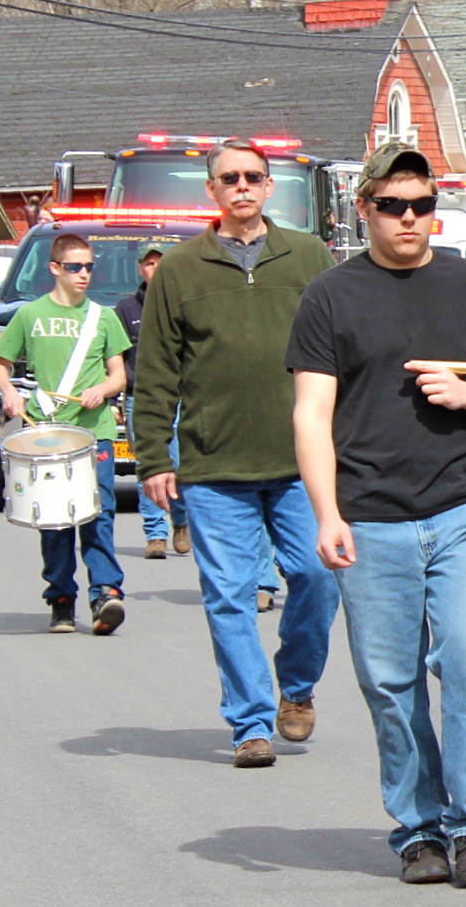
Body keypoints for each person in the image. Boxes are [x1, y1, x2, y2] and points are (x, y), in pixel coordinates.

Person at [289, 144, 466, 888]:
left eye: (422, 206)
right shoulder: (329, 297)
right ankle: (418, 828)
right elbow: (310, 413)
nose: (409, 219)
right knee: (390, 682)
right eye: (394, 206)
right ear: (364, 208)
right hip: (370, 516)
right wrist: (326, 513)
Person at [134, 137, 342, 768]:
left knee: (315, 577)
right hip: (212, 464)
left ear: (269, 186)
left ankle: (297, 685)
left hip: (301, 461)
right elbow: (156, 371)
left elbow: (345, 354)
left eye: (253, 176)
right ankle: (250, 722)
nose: (242, 187)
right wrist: (153, 458)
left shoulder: (309, 257)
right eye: (230, 178)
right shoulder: (179, 269)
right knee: (228, 596)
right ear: (212, 191)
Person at [0, 233, 133, 635]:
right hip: (47, 431)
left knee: (99, 513)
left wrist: (101, 390)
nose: (84, 274)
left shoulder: (103, 317)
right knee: (54, 520)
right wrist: (10, 395)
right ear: (54, 268)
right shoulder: (29, 315)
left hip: (94, 433)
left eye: (89, 266)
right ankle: (61, 599)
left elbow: (118, 374)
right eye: (75, 267)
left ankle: (106, 595)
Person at [115, 243, 186, 560]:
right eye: (148, 264)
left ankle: (180, 521)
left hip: (181, 398)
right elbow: (116, 358)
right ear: (140, 269)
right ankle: (155, 535)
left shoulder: (182, 304)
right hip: (140, 398)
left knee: (182, 466)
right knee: (149, 467)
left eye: (160, 263)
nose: (154, 269)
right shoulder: (126, 309)